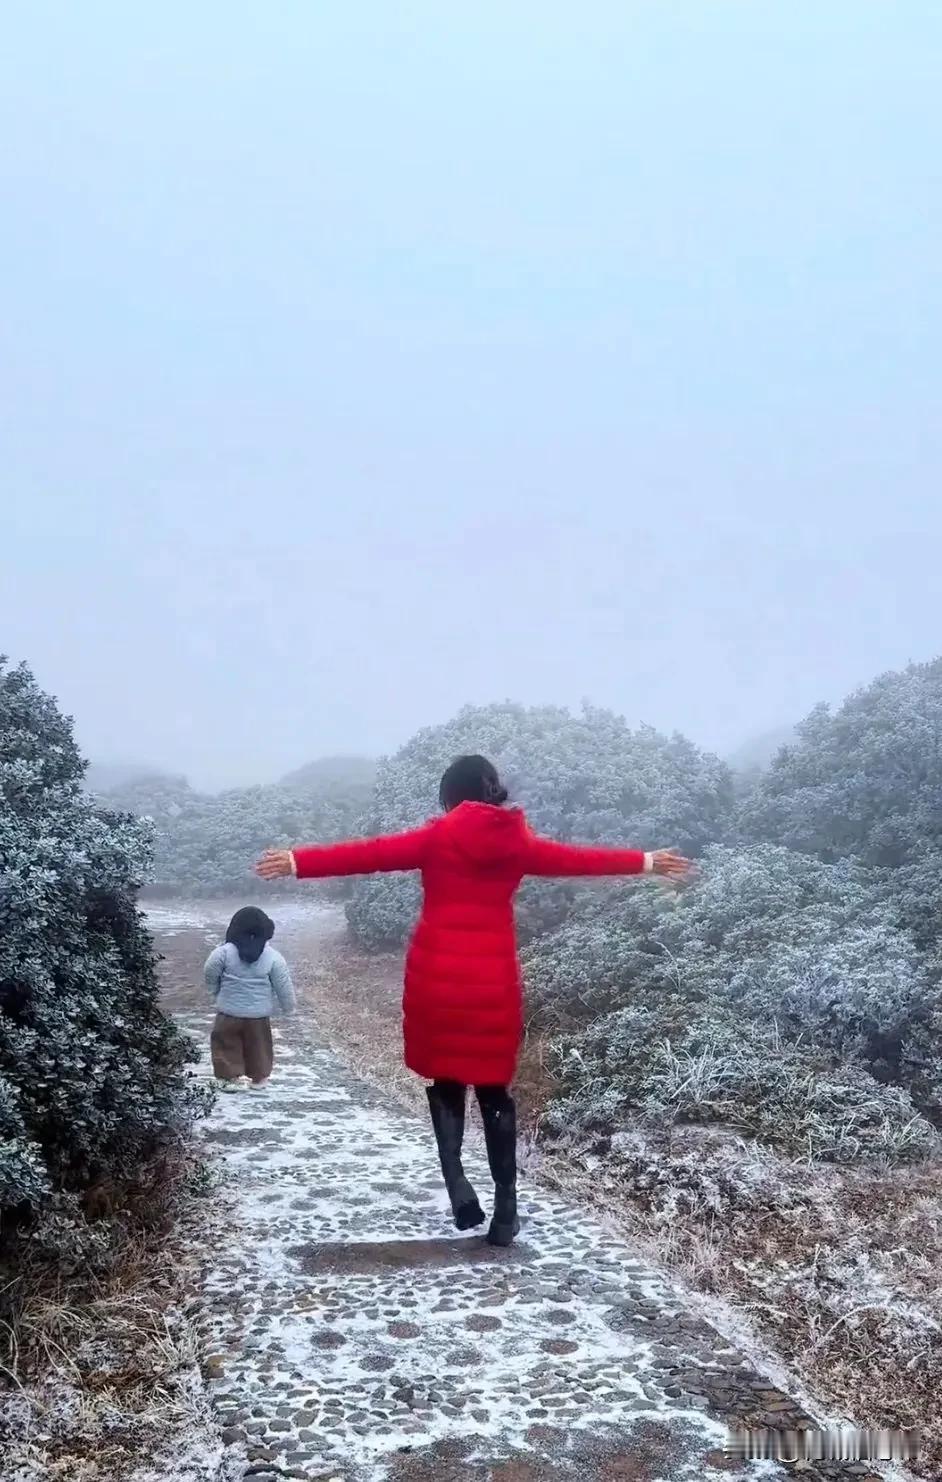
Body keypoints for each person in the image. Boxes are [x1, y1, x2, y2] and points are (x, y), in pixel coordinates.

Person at [256, 755, 691, 1244]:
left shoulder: (438, 837)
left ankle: (458, 1183)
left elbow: (370, 853)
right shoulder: (518, 844)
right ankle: (507, 1206)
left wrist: (297, 861)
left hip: (438, 977)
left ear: (451, 795)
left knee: (447, 1081)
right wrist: (648, 861)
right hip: (491, 978)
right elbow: (580, 859)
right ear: (492, 792)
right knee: (493, 1089)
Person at [204, 906, 296, 1093]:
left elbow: (210, 971)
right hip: (258, 1015)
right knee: (259, 1046)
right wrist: (289, 1007)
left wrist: (215, 991)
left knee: (225, 1043)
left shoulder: (223, 952)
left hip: (228, 1012)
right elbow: (283, 984)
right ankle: (259, 1078)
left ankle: (229, 1077)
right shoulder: (273, 957)